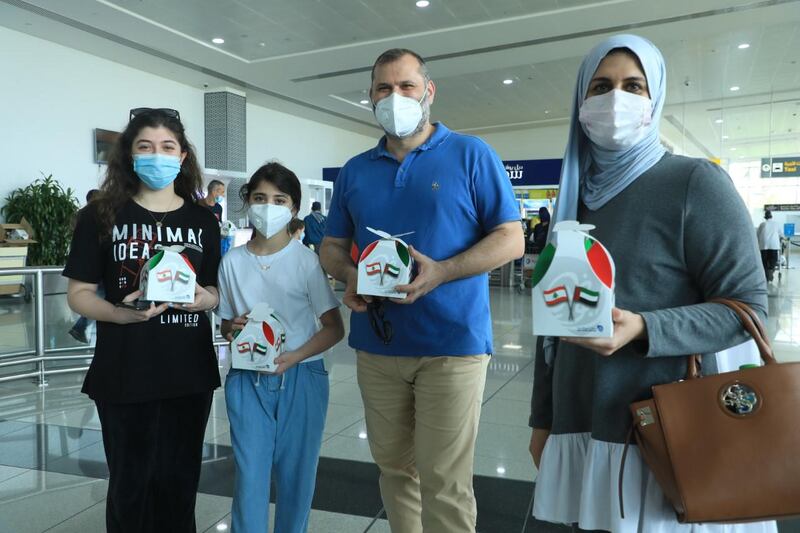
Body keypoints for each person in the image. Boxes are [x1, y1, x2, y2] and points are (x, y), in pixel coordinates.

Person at [527, 35, 772, 533]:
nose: (615, 99)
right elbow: (550, 326)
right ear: (581, 101)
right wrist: (543, 417)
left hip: (661, 427)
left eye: (633, 85)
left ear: (654, 98)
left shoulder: (695, 183)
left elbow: (748, 308)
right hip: (582, 419)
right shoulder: (576, 195)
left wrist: (642, 327)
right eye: (600, 86)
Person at [320, 48, 523, 533]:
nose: (395, 97)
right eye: (383, 89)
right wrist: (350, 277)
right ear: (369, 97)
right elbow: (331, 246)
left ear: (428, 92)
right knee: (394, 468)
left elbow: (511, 239)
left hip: (451, 345)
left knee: (445, 478)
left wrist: (444, 271)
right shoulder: (356, 169)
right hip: (377, 343)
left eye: (406, 86)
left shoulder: (471, 154)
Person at [63, 107, 221, 533]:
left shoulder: (203, 221)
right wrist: (120, 313)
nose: (158, 155)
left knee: (179, 485)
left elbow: (213, 291)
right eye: (145, 147)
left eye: (168, 147)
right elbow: (78, 295)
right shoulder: (101, 217)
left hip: (189, 371)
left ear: (183, 156)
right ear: (130, 156)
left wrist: (204, 300)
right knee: (130, 487)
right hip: (124, 370)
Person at [217, 162, 344, 533]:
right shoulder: (232, 262)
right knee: (250, 478)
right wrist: (232, 329)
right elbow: (226, 324)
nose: (267, 206)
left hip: (302, 377)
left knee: (297, 479)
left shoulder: (306, 262)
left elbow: (333, 328)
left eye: (278, 199)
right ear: (247, 203)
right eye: (259, 197)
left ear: (293, 209)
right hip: (247, 379)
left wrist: (295, 357)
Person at [68, 189, 102, 344]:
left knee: (97, 296)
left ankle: (80, 327)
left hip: (88, 262)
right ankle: (80, 327)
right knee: (100, 296)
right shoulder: (95, 214)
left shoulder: (82, 213)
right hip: (98, 264)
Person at [757, 209, 782, 282]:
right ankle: (770, 272)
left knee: (764, 261)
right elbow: (781, 234)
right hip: (774, 246)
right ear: (771, 217)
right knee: (773, 260)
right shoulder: (776, 224)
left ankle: (766, 276)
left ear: (765, 217)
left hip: (763, 246)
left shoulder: (762, 224)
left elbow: (757, 235)